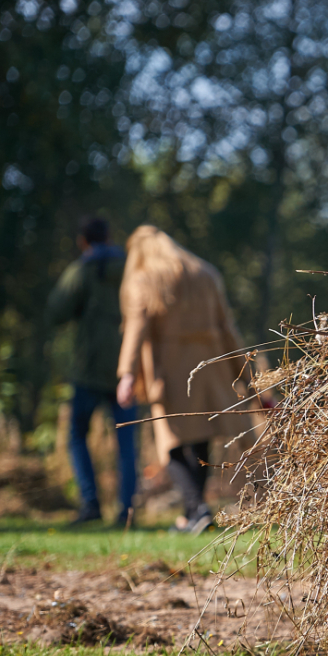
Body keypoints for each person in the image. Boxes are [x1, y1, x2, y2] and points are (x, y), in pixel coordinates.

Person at [115, 226, 261, 535]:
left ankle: (197, 509)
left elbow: (135, 328)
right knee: (200, 439)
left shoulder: (145, 278)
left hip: (172, 371)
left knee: (172, 446)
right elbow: (227, 328)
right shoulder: (206, 273)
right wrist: (248, 378)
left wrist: (127, 374)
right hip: (212, 368)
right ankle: (194, 513)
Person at [46, 217, 139, 526]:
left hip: (88, 370)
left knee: (76, 435)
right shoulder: (130, 268)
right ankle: (127, 511)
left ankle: (90, 504)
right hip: (126, 369)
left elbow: (56, 311)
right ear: (110, 237)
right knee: (126, 444)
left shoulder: (81, 271)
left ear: (82, 240)